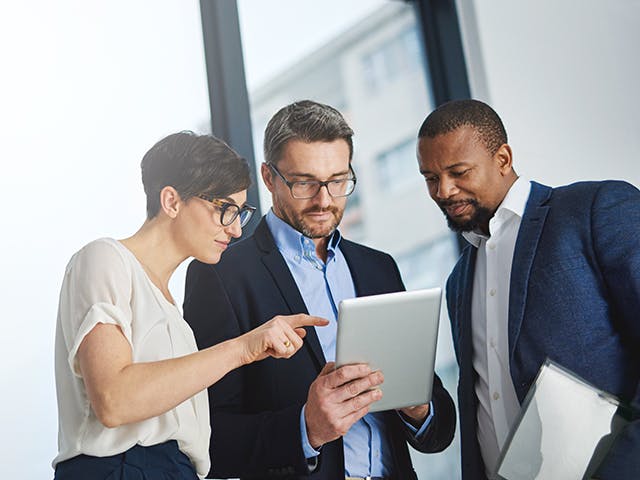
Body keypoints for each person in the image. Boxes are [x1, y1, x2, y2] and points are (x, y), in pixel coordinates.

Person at [184, 100, 456, 479]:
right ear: (268, 177)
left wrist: (418, 409)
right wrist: (305, 428)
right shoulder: (221, 275)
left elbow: (439, 430)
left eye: (339, 181)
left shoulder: (378, 269)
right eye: (304, 183)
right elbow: (206, 438)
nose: (325, 200)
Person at [52, 131, 328, 480]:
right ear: (171, 201)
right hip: (122, 469)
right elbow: (114, 399)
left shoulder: (173, 313)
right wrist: (243, 349)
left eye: (240, 213)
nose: (236, 230)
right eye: (225, 210)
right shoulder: (105, 258)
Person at [416, 99, 640, 479]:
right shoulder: (458, 281)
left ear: (503, 158)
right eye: (431, 178)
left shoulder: (593, 210)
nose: (444, 191)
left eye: (458, 172)